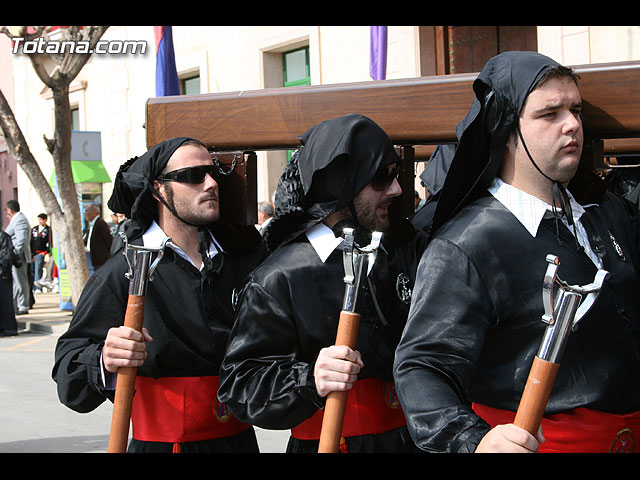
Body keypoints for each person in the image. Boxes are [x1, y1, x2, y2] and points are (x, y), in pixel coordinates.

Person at [393, 51, 640, 453]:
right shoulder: (466, 244)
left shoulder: (606, 212)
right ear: (508, 129)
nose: (573, 124)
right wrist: (474, 442)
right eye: (550, 114)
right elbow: (423, 368)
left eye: (575, 109)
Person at [218, 114, 428, 453]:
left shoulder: (404, 249)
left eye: (397, 174)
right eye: (381, 177)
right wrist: (310, 379)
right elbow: (242, 385)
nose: (398, 189)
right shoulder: (280, 276)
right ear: (341, 183)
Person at [52, 137, 264, 453]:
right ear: (159, 189)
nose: (209, 184)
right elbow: (69, 372)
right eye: (192, 175)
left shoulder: (242, 260)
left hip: (238, 444)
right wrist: (104, 358)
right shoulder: (123, 270)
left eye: (213, 173)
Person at [5, 200, 31, 315]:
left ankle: (23, 306)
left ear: (10, 210)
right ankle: (16, 305)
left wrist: (15, 255)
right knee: (16, 282)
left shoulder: (20, 220)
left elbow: (21, 240)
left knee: (20, 282)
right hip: (13, 257)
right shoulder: (16, 220)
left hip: (18, 258)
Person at [83, 204, 113, 272]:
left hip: (102, 262)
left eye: (87, 211)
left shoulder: (101, 224)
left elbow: (109, 241)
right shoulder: (93, 224)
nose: (85, 213)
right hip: (97, 262)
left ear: (93, 212)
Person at [0, 228, 18, 336]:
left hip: (3, 274)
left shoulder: (3, 236)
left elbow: (6, 254)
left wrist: (4, 271)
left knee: (5, 301)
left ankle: (9, 328)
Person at [30, 213, 51, 293]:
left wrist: (45, 252)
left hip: (40, 253)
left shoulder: (48, 230)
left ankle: (37, 288)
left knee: (38, 270)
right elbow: (31, 240)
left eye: (41, 219)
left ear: (45, 220)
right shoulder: (34, 229)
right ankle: (33, 287)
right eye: (39, 219)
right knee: (32, 269)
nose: (40, 221)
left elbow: (50, 243)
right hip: (33, 253)